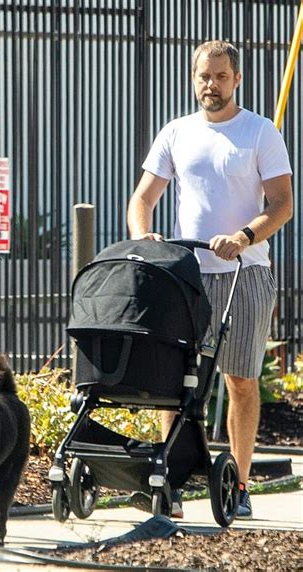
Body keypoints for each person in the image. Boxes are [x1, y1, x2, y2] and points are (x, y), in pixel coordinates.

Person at [127, 40, 293, 519]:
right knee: (171, 383)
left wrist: (243, 236)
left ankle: (239, 484)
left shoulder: (260, 132)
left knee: (240, 381)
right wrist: (146, 239)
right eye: (204, 77)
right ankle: (170, 484)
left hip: (245, 273)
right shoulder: (176, 132)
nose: (211, 86)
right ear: (193, 78)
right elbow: (143, 198)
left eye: (221, 77)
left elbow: (282, 205)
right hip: (186, 277)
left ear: (236, 79)